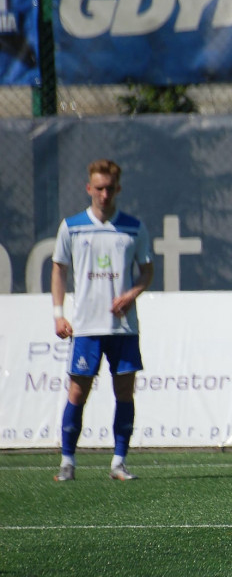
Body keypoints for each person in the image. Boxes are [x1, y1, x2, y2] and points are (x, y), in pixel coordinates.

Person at [51, 159, 154, 482]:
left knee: (125, 393)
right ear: (89, 189)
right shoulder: (72, 226)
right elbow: (59, 268)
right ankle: (68, 462)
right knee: (77, 393)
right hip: (87, 327)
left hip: (123, 328)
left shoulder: (133, 227)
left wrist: (132, 293)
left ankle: (118, 463)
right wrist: (58, 314)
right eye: (99, 188)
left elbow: (148, 270)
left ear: (118, 189)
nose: (105, 194)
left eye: (110, 188)